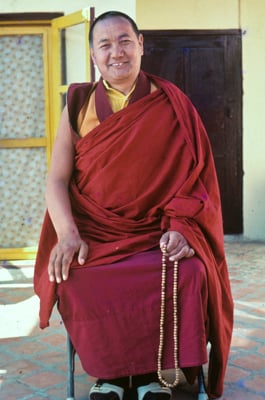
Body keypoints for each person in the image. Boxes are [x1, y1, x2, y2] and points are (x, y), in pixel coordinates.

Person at [34, 10, 233, 400]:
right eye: (105, 45)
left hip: (156, 234)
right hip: (97, 233)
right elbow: (57, 179)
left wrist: (181, 227)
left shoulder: (173, 104)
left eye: (125, 41)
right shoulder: (77, 103)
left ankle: (168, 376)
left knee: (190, 271)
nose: (117, 53)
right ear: (93, 54)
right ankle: (111, 376)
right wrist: (68, 235)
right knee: (75, 278)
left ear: (141, 44)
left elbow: (198, 181)